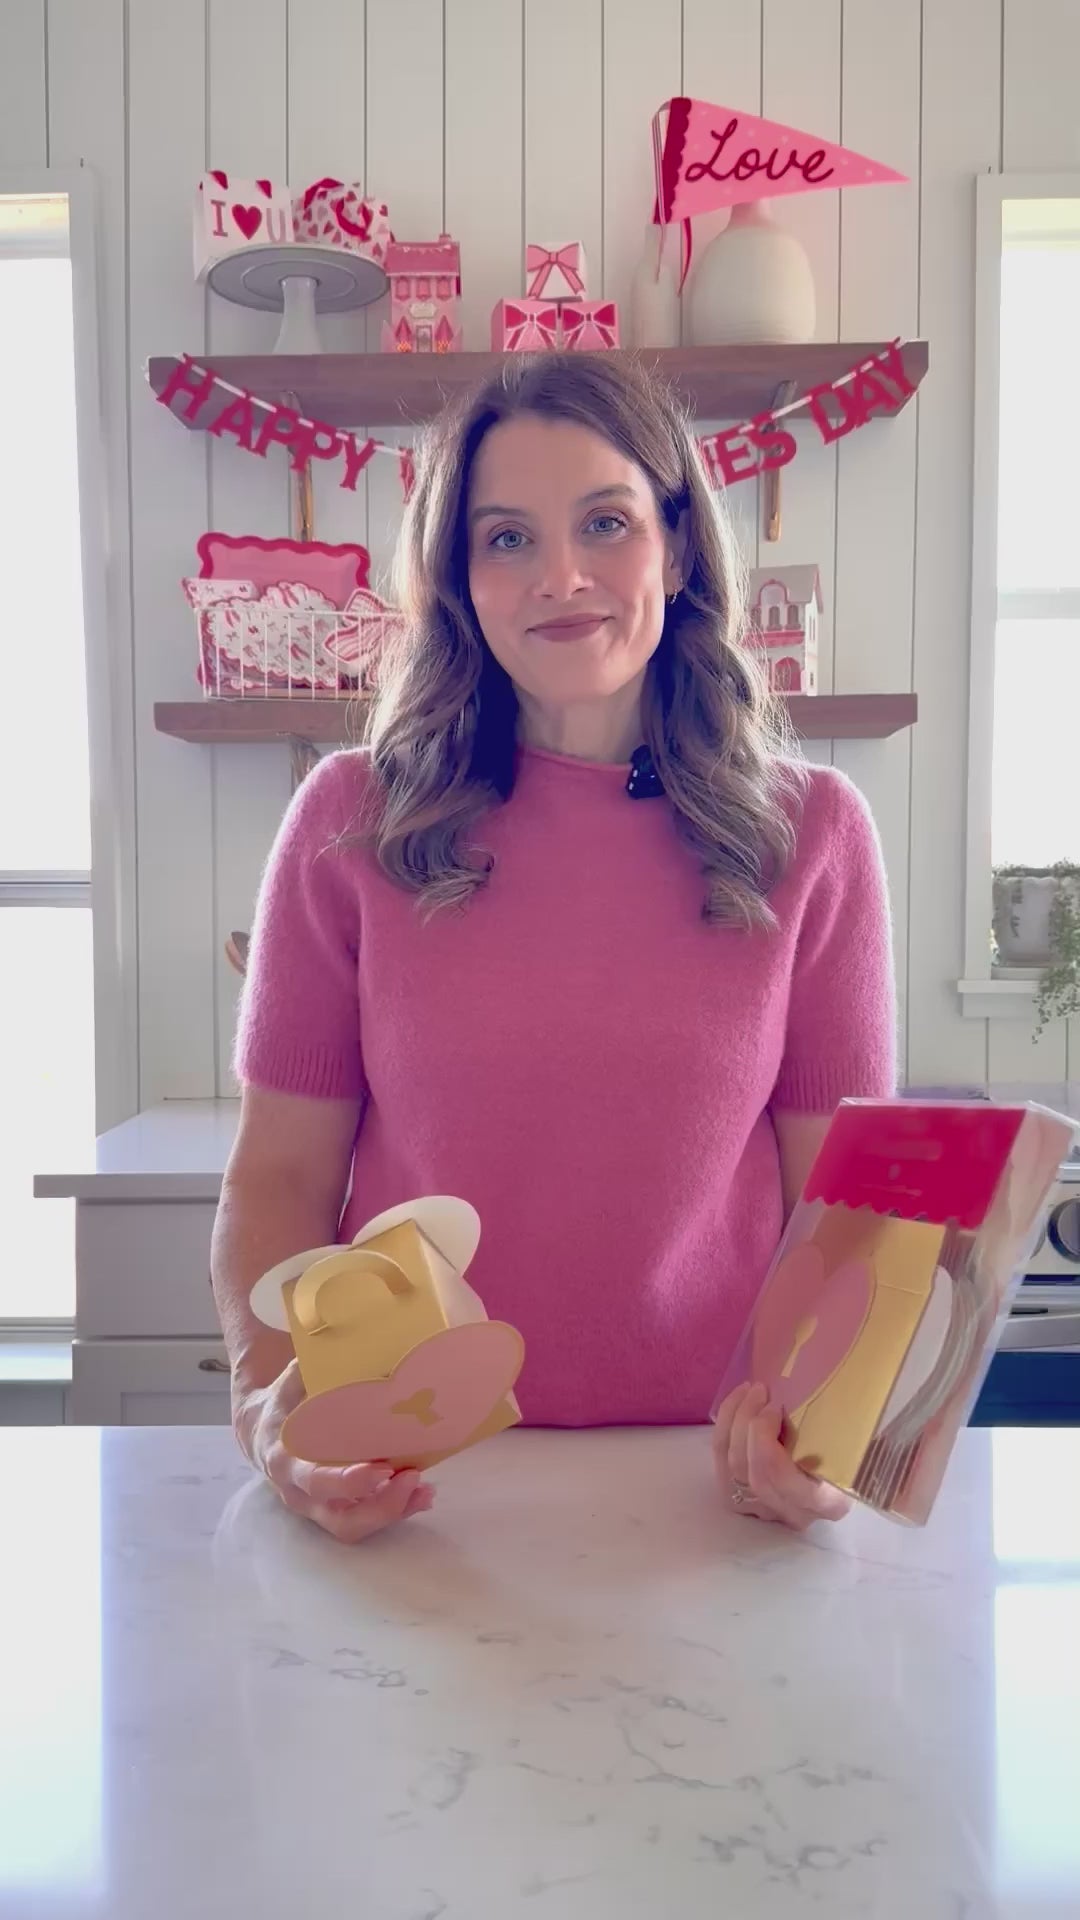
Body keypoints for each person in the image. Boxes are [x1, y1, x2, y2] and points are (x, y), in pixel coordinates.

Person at [211, 353, 896, 1544]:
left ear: (677, 551)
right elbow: (278, 1179)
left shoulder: (815, 835)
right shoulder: (349, 823)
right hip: (418, 1483)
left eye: (606, 523)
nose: (561, 576)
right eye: (508, 538)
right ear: (459, 580)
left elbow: (841, 1208)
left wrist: (833, 1439)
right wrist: (276, 1412)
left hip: (716, 1484)